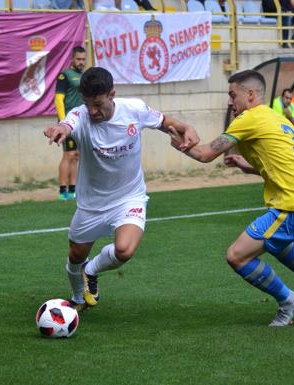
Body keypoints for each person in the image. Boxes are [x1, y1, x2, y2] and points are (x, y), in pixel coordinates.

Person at [168, 69, 294, 327]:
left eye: (232, 95)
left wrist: (177, 138)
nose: (229, 101)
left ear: (249, 94)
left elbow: (204, 154)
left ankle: (288, 300)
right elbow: (287, 162)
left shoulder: (248, 118)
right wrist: (249, 166)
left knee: (237, 255)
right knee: (276, 241)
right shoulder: (275, 117)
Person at [43, 67, 199, 312]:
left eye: (98, 104)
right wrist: (60, 129)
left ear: (112, 94)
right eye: (87, 104)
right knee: (75, 255)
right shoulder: (80, 115)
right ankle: (77, 297)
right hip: (91, 204)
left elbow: (167, 122)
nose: (93, 111)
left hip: (129, 197)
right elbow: (68, 123)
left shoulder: (135, 109)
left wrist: (186, 127)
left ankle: (91, 271)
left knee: (124, 250)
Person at [54, 46, 86, 201]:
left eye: (83, 59)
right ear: (72, 59)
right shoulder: (64, 76)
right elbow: (59, 98)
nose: (81, 62)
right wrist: (62, 121)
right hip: (67, 123)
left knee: (77, 155)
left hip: (80, 122)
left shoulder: (84, 76)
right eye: (79, 59)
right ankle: (62, 191)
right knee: (68, 154)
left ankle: (73, 190)